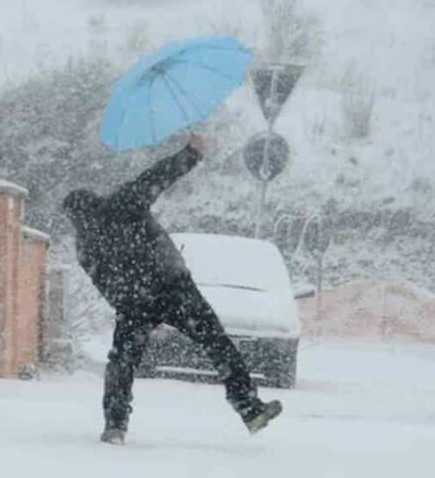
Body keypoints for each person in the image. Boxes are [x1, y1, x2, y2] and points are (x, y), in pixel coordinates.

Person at [62, 134, 283, 444]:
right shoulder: (124, 201)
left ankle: (115, 425)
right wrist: (191, 153)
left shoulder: (85, 244)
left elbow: (105, 285)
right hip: (173, 287)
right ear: (95, 199)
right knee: (217, 343)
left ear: (73, 218)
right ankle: (249, 409)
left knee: (121, 363)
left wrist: (132, 306)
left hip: (135, 304)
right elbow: (158, 176)